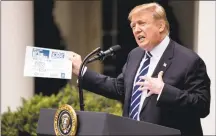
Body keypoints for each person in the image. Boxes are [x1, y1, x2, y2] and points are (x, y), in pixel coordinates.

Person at [71, 2, 210, 136]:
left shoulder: (189, 60)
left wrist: (163, 90)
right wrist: (82, 72)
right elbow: (119, 88)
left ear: (161, 26)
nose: (136, 29)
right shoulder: (135, 55)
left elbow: (202, 106)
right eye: (133, 26)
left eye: (142, 23)